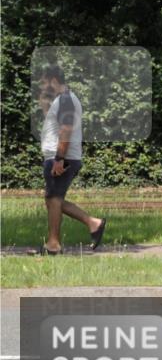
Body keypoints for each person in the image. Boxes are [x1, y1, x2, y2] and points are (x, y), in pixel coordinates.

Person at [37, 65, 106, 254]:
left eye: (44, 83)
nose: (43, 87)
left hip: (62, 157)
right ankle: (93, 223)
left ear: (53, 81)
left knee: (54, 199)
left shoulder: (66, 100)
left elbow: (66, 130)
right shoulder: (63, 100)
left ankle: (53, 244)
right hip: (60, 156)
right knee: (52, 200)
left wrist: (59, 158)